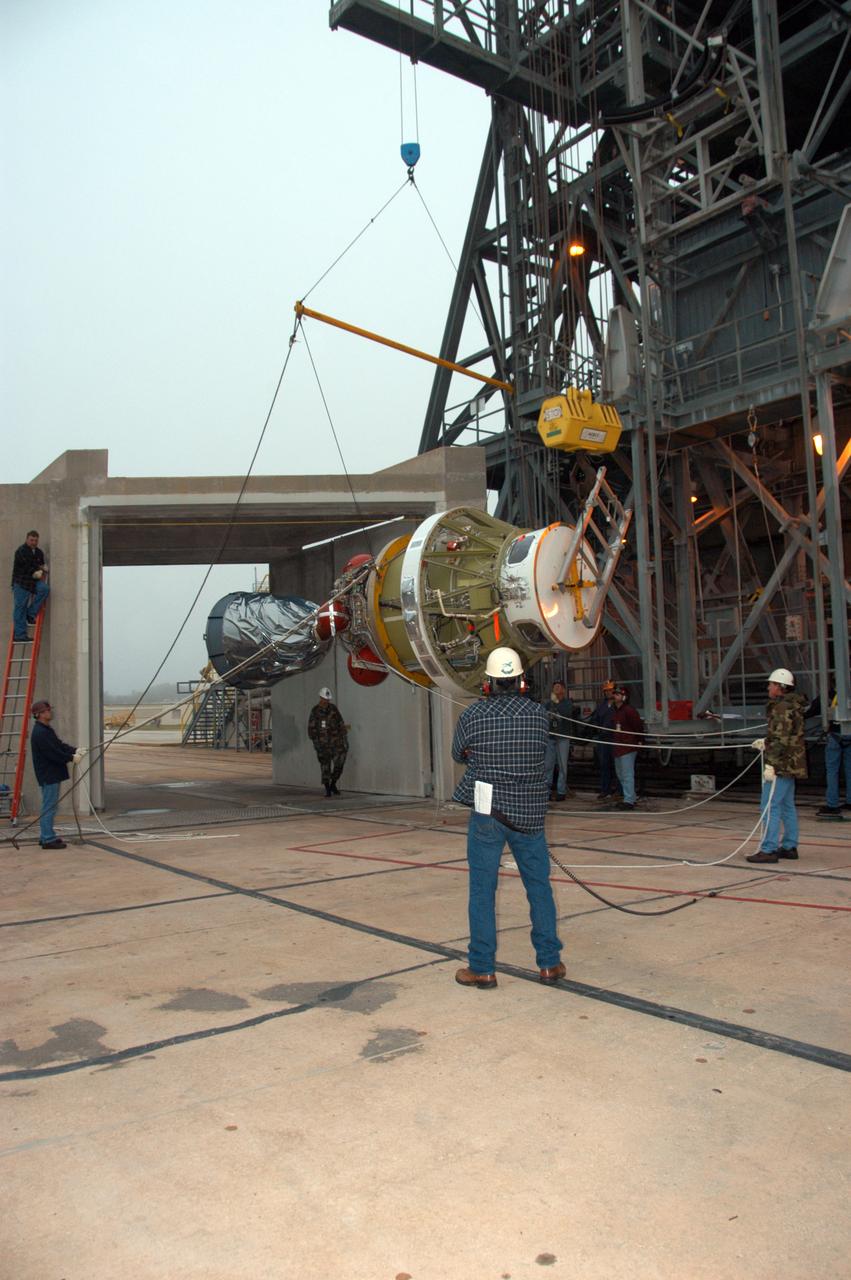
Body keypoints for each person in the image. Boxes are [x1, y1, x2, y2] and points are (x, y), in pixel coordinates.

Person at [451, 647, 564, 990]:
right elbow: (543, 755)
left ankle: (482, 968)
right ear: (521, 683)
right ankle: (549, 963)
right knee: (539, 887)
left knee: (482, 890)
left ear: (488, 683)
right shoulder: (539, 715)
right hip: (529, 815)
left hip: (489, 812)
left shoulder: (473, 716)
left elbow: (458, 753)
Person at [746, 667, 807, 863]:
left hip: (781, 764)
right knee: (787, 805)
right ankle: (789, 846)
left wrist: (770, 761)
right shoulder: (793, 706)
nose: (768, 687)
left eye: (771, 684)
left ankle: (769, 849)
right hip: (792, 763)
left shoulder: (781, 708)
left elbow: (780, 739)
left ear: (780, 687)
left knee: (769, 805)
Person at [30, 700, 81, 850]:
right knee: (49, 807)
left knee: (50, 806)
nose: (49, 713)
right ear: (38, 714)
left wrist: (75, 750)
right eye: (46, 711)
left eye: (48, 710)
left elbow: (58, 745)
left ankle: (46, 835)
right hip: (48, 775)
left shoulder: (46, 729)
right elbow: (53, 753)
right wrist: (71, 758)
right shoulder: (40, 733)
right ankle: (47, 839)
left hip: (51, 774)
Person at [807, 680, 850, 821]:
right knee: (850, 769)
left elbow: (814, 709)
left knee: (832, 770)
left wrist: (802, 715)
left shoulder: (832, 693)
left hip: (835, 735)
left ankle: (832, 804)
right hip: (849, 734)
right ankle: (850, 800)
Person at [307, 686, 348, 797]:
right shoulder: (315, 711)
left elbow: (341, 723)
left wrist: (344, 739)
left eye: (328, 699)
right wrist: (317, 745)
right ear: (320, 697)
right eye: (325, 698)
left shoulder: (333, 709)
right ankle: (327, 789)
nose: (327, 701)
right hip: (323, 745)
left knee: (340, 763)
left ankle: (333, 783)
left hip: (336, 743)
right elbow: (311, 730)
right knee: (325, 767)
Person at [11, 530, 50, 641]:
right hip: (21, 582)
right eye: (31, 540)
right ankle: (20, 635)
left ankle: (31, 614)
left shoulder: (38, 552)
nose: (34, 542)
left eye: (36, 540)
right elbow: (26, 567)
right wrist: (37, 571)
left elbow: (41, 564)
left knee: (44, 589)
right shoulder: (21, 551)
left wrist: (43, 568)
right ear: (27, 539)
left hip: (33, 582)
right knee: (20, 607)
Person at [611, 686, 643, 810]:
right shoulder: (617, 711)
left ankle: (629, 800)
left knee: (627, 774)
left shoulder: (629, 711)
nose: (615, 696)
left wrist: (639, 741)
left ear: (624, 697)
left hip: (627, 747)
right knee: (621, 774)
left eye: (618, 694)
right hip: (618, 747)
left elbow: (637, 726)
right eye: (615, 694)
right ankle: (631, 797)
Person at [544, 678, 576, 801]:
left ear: (563, 689)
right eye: (555, 686)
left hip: (563, 737)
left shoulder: (567, 703)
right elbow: (542, 712)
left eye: (559, 687)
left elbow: (567, 713)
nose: (556, 689)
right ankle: (547, 790)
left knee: (562, 765)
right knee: (548, 765)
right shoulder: (548, 703)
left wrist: (556, 703)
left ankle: (561, 791)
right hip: (550, 737)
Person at [588, 679, 620, 800]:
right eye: (606, 691)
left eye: (610, 690)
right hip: (603, 739)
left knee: (618, 767)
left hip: (615, 739)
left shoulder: (619, 705)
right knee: (604, 765)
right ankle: (605, 790)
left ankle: (619, 791)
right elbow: (595, 719)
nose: (608, 693)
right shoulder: (601, 706)